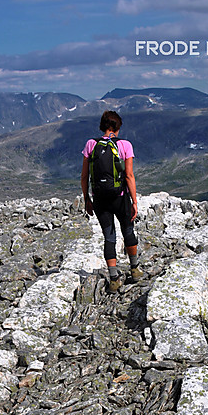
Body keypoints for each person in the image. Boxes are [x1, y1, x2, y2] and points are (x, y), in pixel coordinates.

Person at [80, 110, 140, 291]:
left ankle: (114, 280)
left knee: (109, 237)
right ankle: (135, 270)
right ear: (117, 127)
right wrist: (134, 201)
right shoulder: (125, 145)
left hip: (99, 199)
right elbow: (129, 175)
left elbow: (84, 176)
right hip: (120, 198)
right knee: (128, 230)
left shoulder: (91, 144)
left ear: (103, 126)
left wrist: (86, 199)